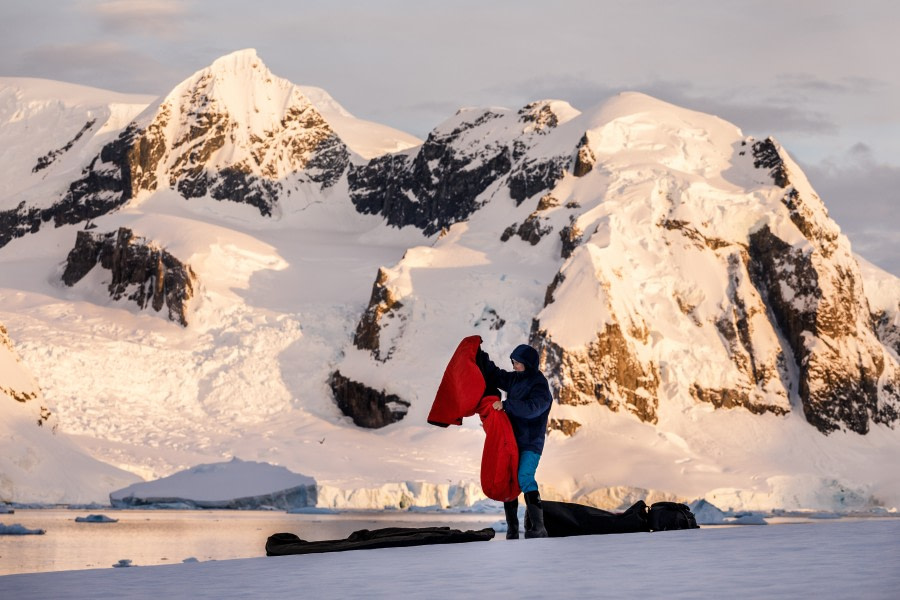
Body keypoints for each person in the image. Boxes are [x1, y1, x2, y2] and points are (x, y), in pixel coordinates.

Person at [476, 343, 553, 539]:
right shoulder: (515, 379)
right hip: (512, 440)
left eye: (518, 362)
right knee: (509, 481)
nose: (514, 365)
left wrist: (507, 405)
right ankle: (512, 529)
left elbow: (534, 407)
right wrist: (478, 354)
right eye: (513, 362)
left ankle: (538, 528)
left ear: (528, 363)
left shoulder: (539, 385)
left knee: (525, 477)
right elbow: (496, 374)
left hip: (531, 443)